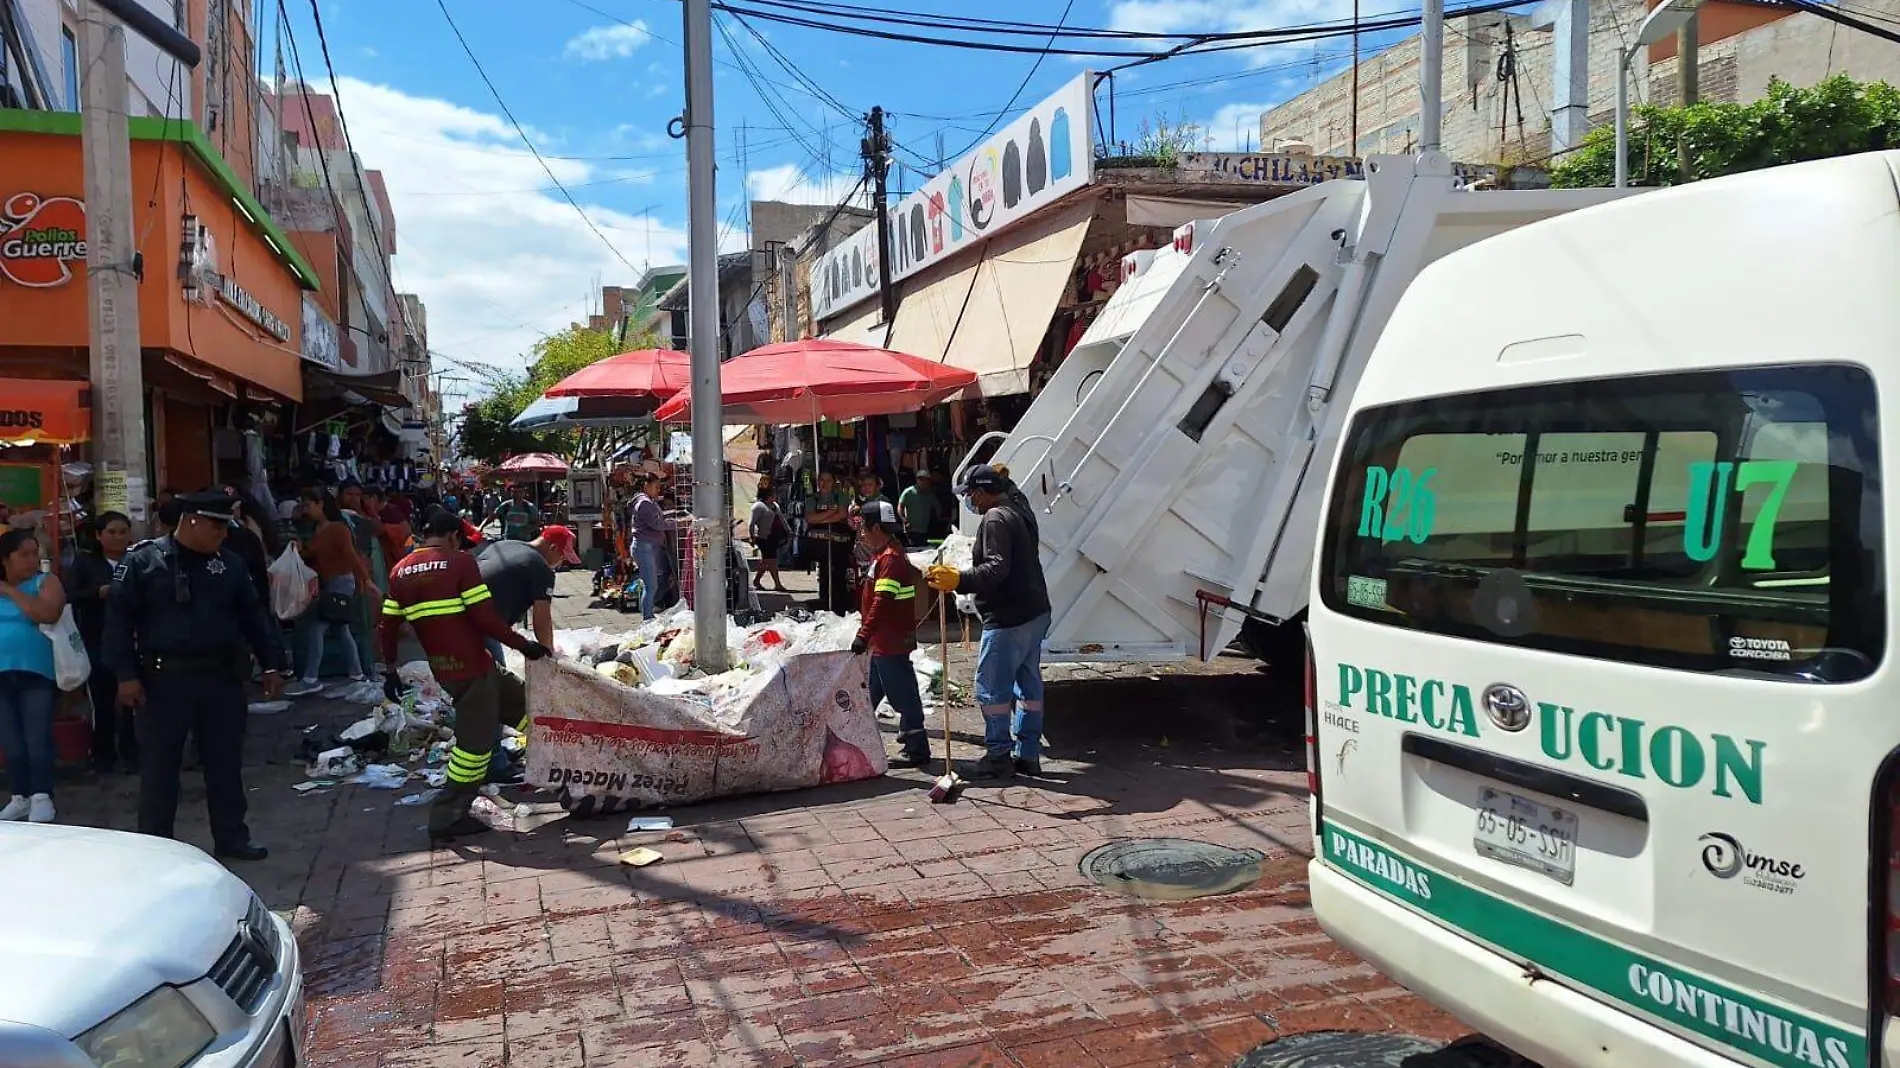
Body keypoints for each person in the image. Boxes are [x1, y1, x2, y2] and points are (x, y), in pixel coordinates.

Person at [104, 492, 286, 858]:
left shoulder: (230, 565)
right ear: (192, 521)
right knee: (159, 767)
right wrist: (125, 675)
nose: (223, 533)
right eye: (217, 525)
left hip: (219, 677)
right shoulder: (143, 561)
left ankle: (232, 837)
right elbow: (118, 625)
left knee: (225, 763)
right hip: (162, 680)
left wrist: (271, 664)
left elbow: (254, 618)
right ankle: (157, 846)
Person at [380, 508, 549, 840]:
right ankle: (446, 818)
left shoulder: (399, 572)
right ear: (455, 536)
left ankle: (566, 766)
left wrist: (389, 669)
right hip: (473, 670)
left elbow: (387, 626)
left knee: (531, 708)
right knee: (474, 749)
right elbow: (485, 620)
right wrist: (524, 645)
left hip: (453, 669)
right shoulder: (460, 563)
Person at [925, 464, 1053, 779]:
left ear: (983, 492)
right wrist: (1001, 477)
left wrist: (959, 580)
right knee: (1028, 687)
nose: (971, 501)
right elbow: (1012, 490)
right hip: (1035, 611)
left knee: (992, 690)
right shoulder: (1018, 506)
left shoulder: (995, 518)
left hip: (1009, 617)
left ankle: (998, 755)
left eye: (971, 494)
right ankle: (1028, 755)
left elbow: (996, 569)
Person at [852, 500, 929, 767]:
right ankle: (855, 739)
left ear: (875, 527)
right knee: (868, 695)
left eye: (863, 527)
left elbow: (882, 602)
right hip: (883, 642)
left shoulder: (891, 560)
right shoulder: (885, 555)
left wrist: (863, 634)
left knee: (903, 695)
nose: (861, 533)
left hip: (890, 642)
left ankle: (917, 748)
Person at [0, 528, 65, 822]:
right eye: (23, 554)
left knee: (36, 736)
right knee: (11, 739)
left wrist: (9, 591)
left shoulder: (45, 582)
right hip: (2, 672)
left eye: (33, 554)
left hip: (36, 671)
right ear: (5, 559)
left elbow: (47, 613)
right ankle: (20, 795)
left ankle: (42, 794)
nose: (31, 560)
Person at [68, 512, 139, 774]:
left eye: (123, 532)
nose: (118, 537)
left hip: (133, 639)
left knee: (134, 699)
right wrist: (98, 593)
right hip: (97, 638)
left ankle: (133, 752)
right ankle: (103, 755)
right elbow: (70, 594)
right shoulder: (86, 563)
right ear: (99, 535)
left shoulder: (137, 560)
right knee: (102, 700)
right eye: (112, 532)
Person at [286, 488, 372, 696]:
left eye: (308, 505)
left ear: (321, 504)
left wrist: (366, 581)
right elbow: (313, 556)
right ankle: (357, 673)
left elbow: (351, 556)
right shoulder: (318, 530)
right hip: (332, 583)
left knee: (319, 628)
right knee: (341, 630)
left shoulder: (336, 529)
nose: (305, 510)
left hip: (341, 583)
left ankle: (311, 678)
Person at [805, 471, 852, 615]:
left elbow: (843, 514)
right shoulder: (812, 499)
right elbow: (810, 518)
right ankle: (824, 603)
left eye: (828, 481)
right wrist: (831, 513)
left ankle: (839, 607)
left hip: (839, 546)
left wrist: (821, 518)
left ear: (834, 483)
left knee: (838, 576)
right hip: (821, 546)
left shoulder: (840, 497)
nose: (824, 484)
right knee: (824, 575)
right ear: (818, 482)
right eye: (822, 481)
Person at [629, 473, 671, 620]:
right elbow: (656, 524)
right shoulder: (645, 503)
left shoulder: (647, 501)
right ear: (647, 485)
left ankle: (648, 614)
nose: (658, 490)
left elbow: (658, 519)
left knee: (651, 584)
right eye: (656, 487)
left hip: (646, 547)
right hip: (644, 547)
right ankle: (647, 617)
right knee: (651, 585)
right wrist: (676, 523)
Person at [749, 485, 789, 593]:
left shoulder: (774, 506)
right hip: (763, 537)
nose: (774, 497)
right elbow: (752, 523)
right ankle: (774, 583)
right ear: (767, 496)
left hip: (774, 537)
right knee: (770, 560)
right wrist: (752, 537)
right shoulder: (758, 507)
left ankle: (763, 581)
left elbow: (782, 519)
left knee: (770, 561)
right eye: (772, 495)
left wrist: (789, 531)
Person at [898, 472, 939, 549]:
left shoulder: (929, 493)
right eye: (921, 479)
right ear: (917, 480)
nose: (923, 482)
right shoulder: (908, 492)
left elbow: (937, 507)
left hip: (925, 529)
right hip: (912, 529)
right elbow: (900, 506)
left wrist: (938, 519)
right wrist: (904, 519)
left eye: (925, 480)